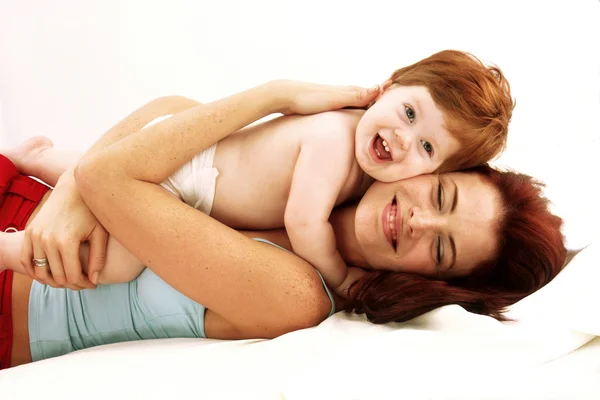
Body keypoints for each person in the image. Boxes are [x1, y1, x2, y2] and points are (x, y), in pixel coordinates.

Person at [0, 80, 564, 369]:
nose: (417, 220)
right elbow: (171, 109)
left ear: (432, 281)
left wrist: (274, 93)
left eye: (441, 249)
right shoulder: (318, 165)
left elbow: (112, 175)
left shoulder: (300, 293)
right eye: (440, 194)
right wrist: (65, 195)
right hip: (24, 200)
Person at [2, 50, 514, 295]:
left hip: (185, 162)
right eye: (408, 112)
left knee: (90, 182)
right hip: (187, 171)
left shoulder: (365, 171)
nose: (403, 138)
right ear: (388, 85)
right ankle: (10, 249)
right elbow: (303, 222)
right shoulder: (335, 140)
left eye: (426, 146)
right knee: (112, 264)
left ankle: (38, 157)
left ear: (431, 170)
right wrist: (339, 276)